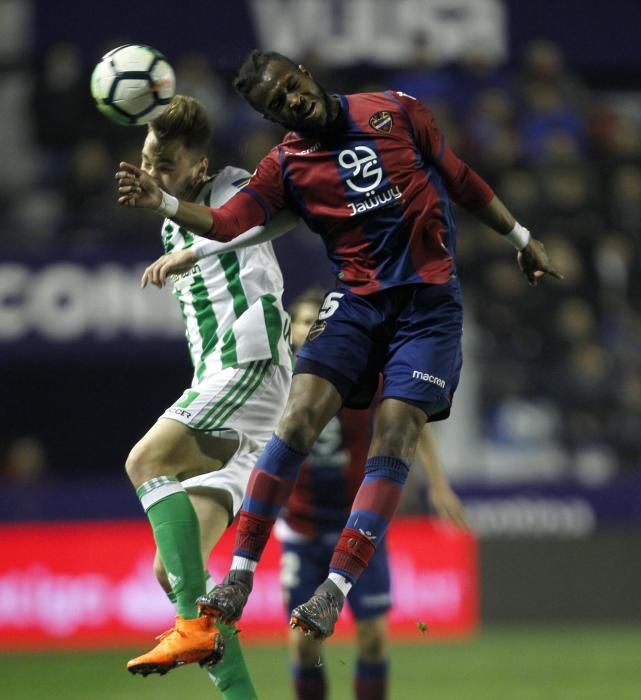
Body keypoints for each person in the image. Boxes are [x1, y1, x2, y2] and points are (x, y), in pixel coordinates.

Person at [116, 49, 562, 644]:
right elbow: (232, 222)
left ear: (302, 71)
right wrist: (167, 206)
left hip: (428, 310)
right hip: (357, 302)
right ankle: (241, 576)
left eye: (290, 87)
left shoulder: (396, 111)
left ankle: (335, 591)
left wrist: (522, 237)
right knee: (297, 418)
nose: (291, 102)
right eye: (276, 106)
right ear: (274, 119)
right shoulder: (287, 165)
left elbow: (459, 178)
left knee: (396, 431)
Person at [120, 94, 297, 699]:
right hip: (227, 397)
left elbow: (252, 222)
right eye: (148, 159)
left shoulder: (234, 189)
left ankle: (190, 627)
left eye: (165, 164)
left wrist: (173, 208)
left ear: (198, 167)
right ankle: (238, 689)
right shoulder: (175, 219)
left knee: (146, 461)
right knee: (173, 570)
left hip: (249, 363)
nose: (153, 172)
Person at [278, 287, 468, 700]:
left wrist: (437, 483)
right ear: (291, 329)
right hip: (301, 528)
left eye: (319, 322)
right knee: (305, 644)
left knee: (373, 637)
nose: (312, 331)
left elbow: (409, 421)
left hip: (358, 524)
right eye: (305, 322)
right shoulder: (279, 380)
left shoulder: (365, 369)